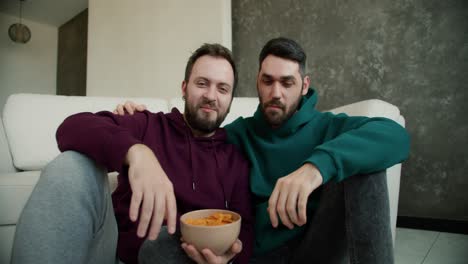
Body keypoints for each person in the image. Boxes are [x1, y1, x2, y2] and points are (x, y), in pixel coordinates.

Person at [117, 37, 410, 264]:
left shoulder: (328, 127)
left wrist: (316, 168)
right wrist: (134, 128)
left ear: (305, 85)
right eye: (268, 81)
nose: (276, 93)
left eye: (287, 82)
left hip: (316, 248)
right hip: (253, 254)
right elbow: (190, 141)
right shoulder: (233, 135)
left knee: (365, 167)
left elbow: (395, 136)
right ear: (257, 81)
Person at [11, 43, 253, 264]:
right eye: (202, 83)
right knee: (71, 165)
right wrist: (136, 151)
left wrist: (228, 260)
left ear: (230, 99)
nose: (211, 96)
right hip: (116, 254)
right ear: (184, 87)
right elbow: (71, 128)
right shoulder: (147, 125)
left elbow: (245, 235)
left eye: (222, 89)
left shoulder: (236, 161)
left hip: (189, 259)